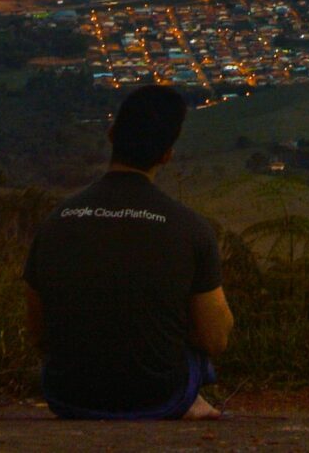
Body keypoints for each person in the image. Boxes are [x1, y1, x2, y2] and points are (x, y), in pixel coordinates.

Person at [24, 84, 233, 420]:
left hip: (67, 395)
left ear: (111, 136)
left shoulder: (58, 219)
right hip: (156, 398)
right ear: (167, 154)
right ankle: (191, 400)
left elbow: (38, 330)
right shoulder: (189, 227)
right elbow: (215, 338)